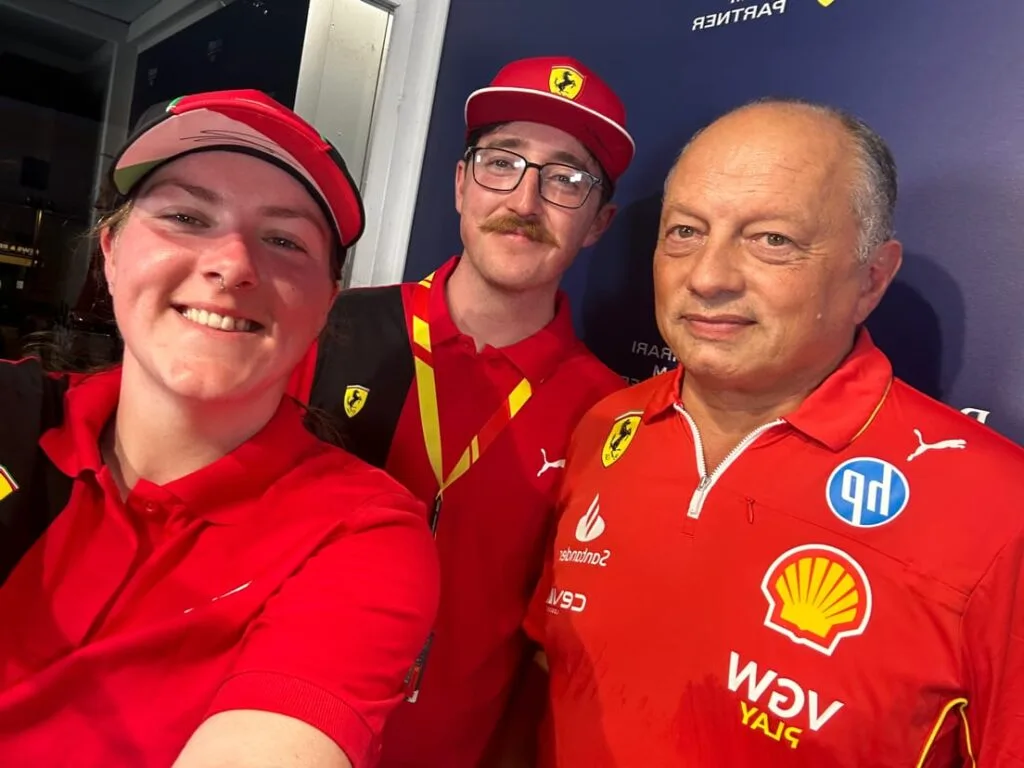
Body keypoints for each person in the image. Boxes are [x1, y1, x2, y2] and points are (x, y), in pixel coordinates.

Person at [525, 98, 1024, 766]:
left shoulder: (999, 511)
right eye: (685, 231)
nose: (707, 277)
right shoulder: (604, 427)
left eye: (772, 240)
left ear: (871, 279)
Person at [0, 89, 439, 767]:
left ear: (327, 302)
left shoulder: (358, 535)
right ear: (111, 251)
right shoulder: (13, 412)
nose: (233, 265)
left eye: (283, 240)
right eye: (186, 216)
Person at [287, 56, 634, 767]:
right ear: (459, 184)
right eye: (502, 162)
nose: (526, 200)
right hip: (281, 733)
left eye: (566, 179)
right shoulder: (331, 328)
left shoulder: (609, 414)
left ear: (599, 222)